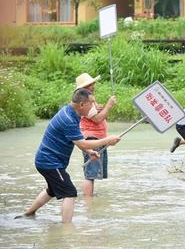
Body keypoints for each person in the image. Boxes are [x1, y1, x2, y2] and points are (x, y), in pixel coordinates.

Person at [17, 88, 121, 223]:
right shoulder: (68, 118)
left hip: (47, 160)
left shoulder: (72, 113)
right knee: (70, 192)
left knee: (52, 190)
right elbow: (82, 144)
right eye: (92, 103)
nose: (94, 106)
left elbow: (75, 139)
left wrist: (90, 152)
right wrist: (107, 141)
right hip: (49, 162)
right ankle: (66, 230)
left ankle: (28, 214)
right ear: (82, 105)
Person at [74, 73, 116, 197]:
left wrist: (99, 107)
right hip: (92, 138)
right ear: (84, 87)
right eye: (90, 84)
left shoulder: (88, 99)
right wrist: (109, 105)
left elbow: (94, 114)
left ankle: (89, 199)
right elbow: (97, 119)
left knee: (92, 172)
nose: (93, 86)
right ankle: (88, 201)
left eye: (93, 83)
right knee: (90, 174)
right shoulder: (85, 100)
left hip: (95, 138)